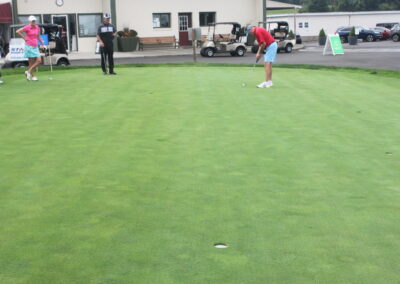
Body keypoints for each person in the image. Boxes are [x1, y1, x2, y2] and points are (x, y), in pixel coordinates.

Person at [16, 16, 45, 81]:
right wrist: (24, 38)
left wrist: (42, 43)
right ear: (30, 22)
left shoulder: (37, 27)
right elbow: (17, 31)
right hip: (29, 46)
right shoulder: (27, 27)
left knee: (39, 60)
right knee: (31, 62)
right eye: (32, 21)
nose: (33, 22)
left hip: (35, 46)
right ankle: (33, 76)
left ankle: (28, 72)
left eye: (34, 21)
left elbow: (38, 36)